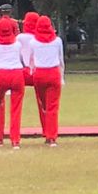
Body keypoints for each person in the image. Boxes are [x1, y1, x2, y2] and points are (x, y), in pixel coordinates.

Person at [0, 14, 30, 149]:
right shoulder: (17, 45)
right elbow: (22, 60)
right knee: (16, 109)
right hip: (17, 75)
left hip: (2, 75)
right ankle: (15, 140)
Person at [29, 15, 66, 147]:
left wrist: (32, 71)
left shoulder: (33, 42)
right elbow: (61, 60)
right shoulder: (57, 41)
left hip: (39, 74)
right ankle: (52, 137)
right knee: (53, 107)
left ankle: (46, 132)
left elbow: (31, 60)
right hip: (53, 73)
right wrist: (62, 77)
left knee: (44, 104)